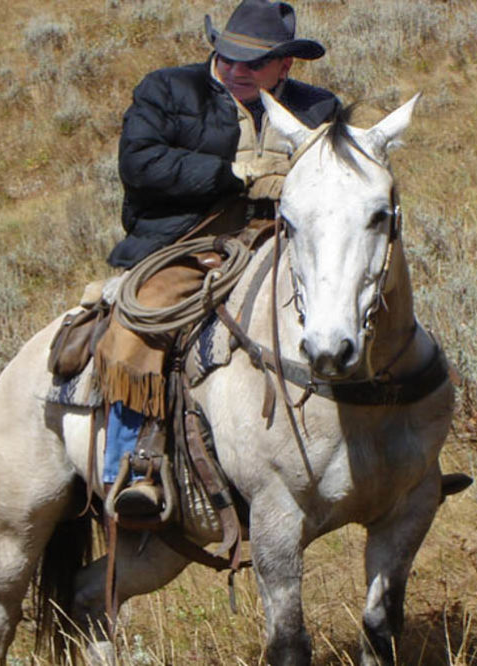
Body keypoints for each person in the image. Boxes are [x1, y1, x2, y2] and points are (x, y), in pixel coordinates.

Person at [95, 0, 341, 518]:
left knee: (362, 293)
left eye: (253, 63)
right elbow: (140, 163)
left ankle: (398, 451)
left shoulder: (319, 108)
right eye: (228, 57)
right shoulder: (166, 89)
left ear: (286, 66)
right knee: (146, 317)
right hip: (187, 239)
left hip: (285, 238)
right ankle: (133, 467)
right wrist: (233, 173)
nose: (236, 70)